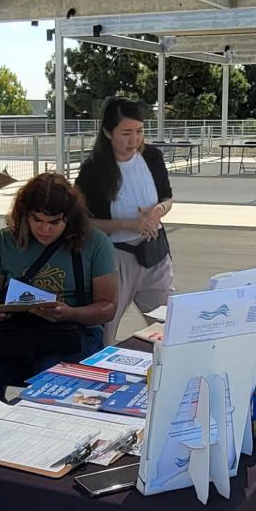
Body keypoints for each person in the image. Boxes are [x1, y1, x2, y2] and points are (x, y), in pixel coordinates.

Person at [0, 174, 119, 411]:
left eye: (54, 222)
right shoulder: (6, 240)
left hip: (73, 332)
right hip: (18, 330)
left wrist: (70, 313)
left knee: (49, 372)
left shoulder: (95, 243)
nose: (44, 229)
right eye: (36, 220)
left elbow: (107, 307)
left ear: (69, 219)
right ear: (24, 214)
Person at [76, 97, 174, 337]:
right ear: (108, 132)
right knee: (104, 332)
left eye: (140, 131)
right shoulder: (93, 170)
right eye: (126, 133)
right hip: (114, 259)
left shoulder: (152, 157)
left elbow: (167, 198)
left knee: (170, 326)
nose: (135, 140)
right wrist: (127, 224)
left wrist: (157, 212)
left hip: (154, 254)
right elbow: (81, 220)